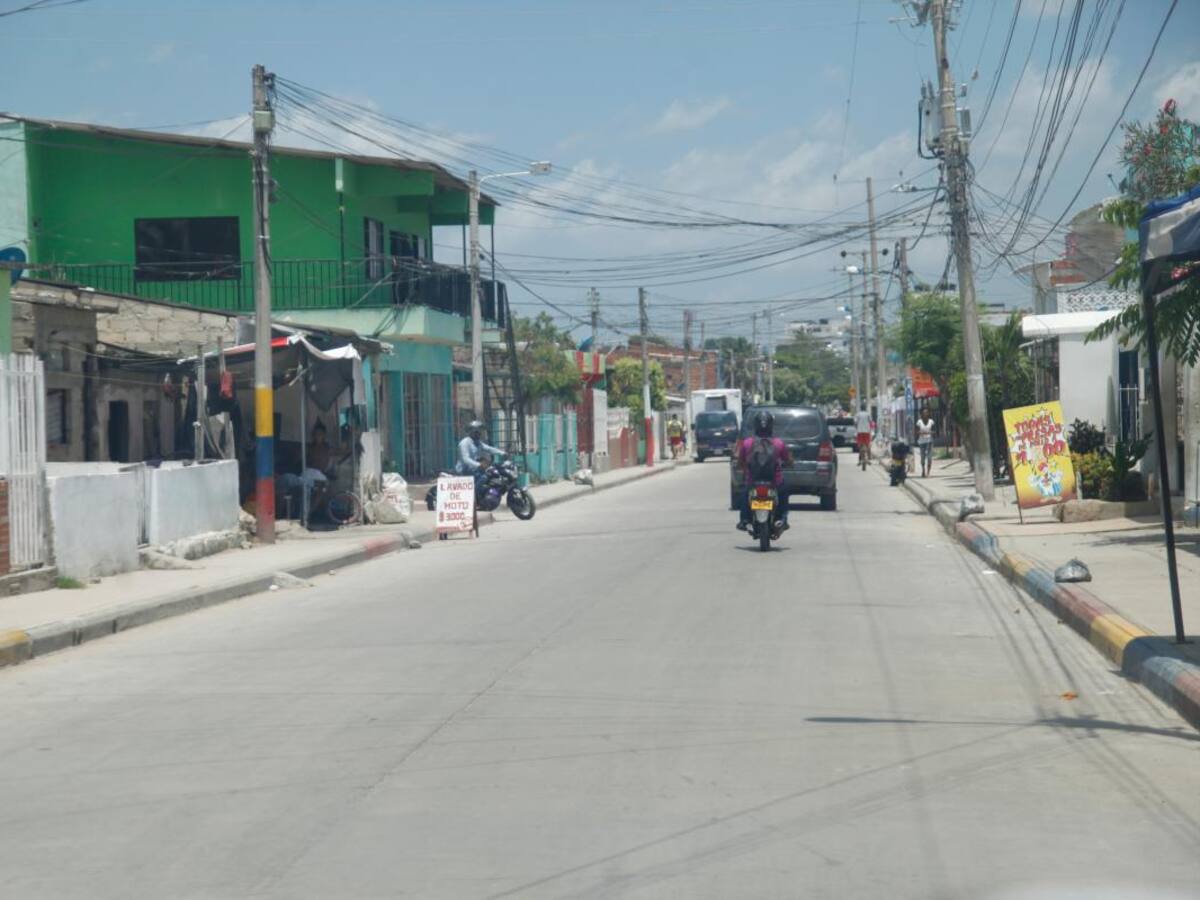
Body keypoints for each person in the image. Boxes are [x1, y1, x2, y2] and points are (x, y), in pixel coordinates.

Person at [735, 410, 793, 532]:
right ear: (771, 425)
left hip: (753, 481)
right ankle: (782, 519)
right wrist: (789, 464)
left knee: (744, 494)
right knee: (784, 491)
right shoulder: (779, 443)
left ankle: (744, 520)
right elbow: (788, 461)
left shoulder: (747, 443)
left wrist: (742, 467)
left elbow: (740, 462)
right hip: (774, 482)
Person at [456, 419, 504, 486]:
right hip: (464, 471)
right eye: (478, 432)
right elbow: (466, 459)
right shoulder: (465, 443)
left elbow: (489, 449)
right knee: (484, 477)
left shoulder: (477, 442)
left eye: (480, 432)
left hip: (474, 469)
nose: (480, 434)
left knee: (490, 475)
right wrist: (479, 465)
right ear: (473, 432)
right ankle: (474, 494)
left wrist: (502, 453)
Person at [915, 406, 936, 477]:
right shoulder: (919, 422)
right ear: (921, 414)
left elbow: (934, 431)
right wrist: (921, 433)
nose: (925, 414)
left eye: (927, 412)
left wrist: (930, 433)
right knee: (923, 457)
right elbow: (916, 432)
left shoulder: (931, 422)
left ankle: (928, 472)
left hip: (929, 442)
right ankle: (923, 470)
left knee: (929, 457)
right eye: (924, 413)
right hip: (922, 442)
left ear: (928, 413)